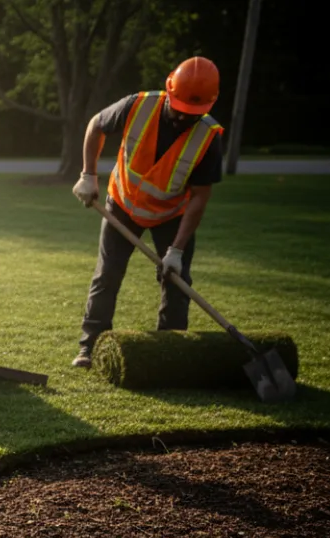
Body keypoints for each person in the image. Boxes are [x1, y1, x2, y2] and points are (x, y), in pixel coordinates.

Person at [70, 56, 225, 368]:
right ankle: (89, 348)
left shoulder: (208, 136)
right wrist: (88, 175)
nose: (183, 118)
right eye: (179, 109)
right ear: (169, 90)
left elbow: (199, 197)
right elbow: (96, 126)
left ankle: (172, 348)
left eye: (192, 114)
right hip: (122, 205)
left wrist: (177, 250)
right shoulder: (137, 105)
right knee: (107, 275)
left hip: (172, 215)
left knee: (176, 280)